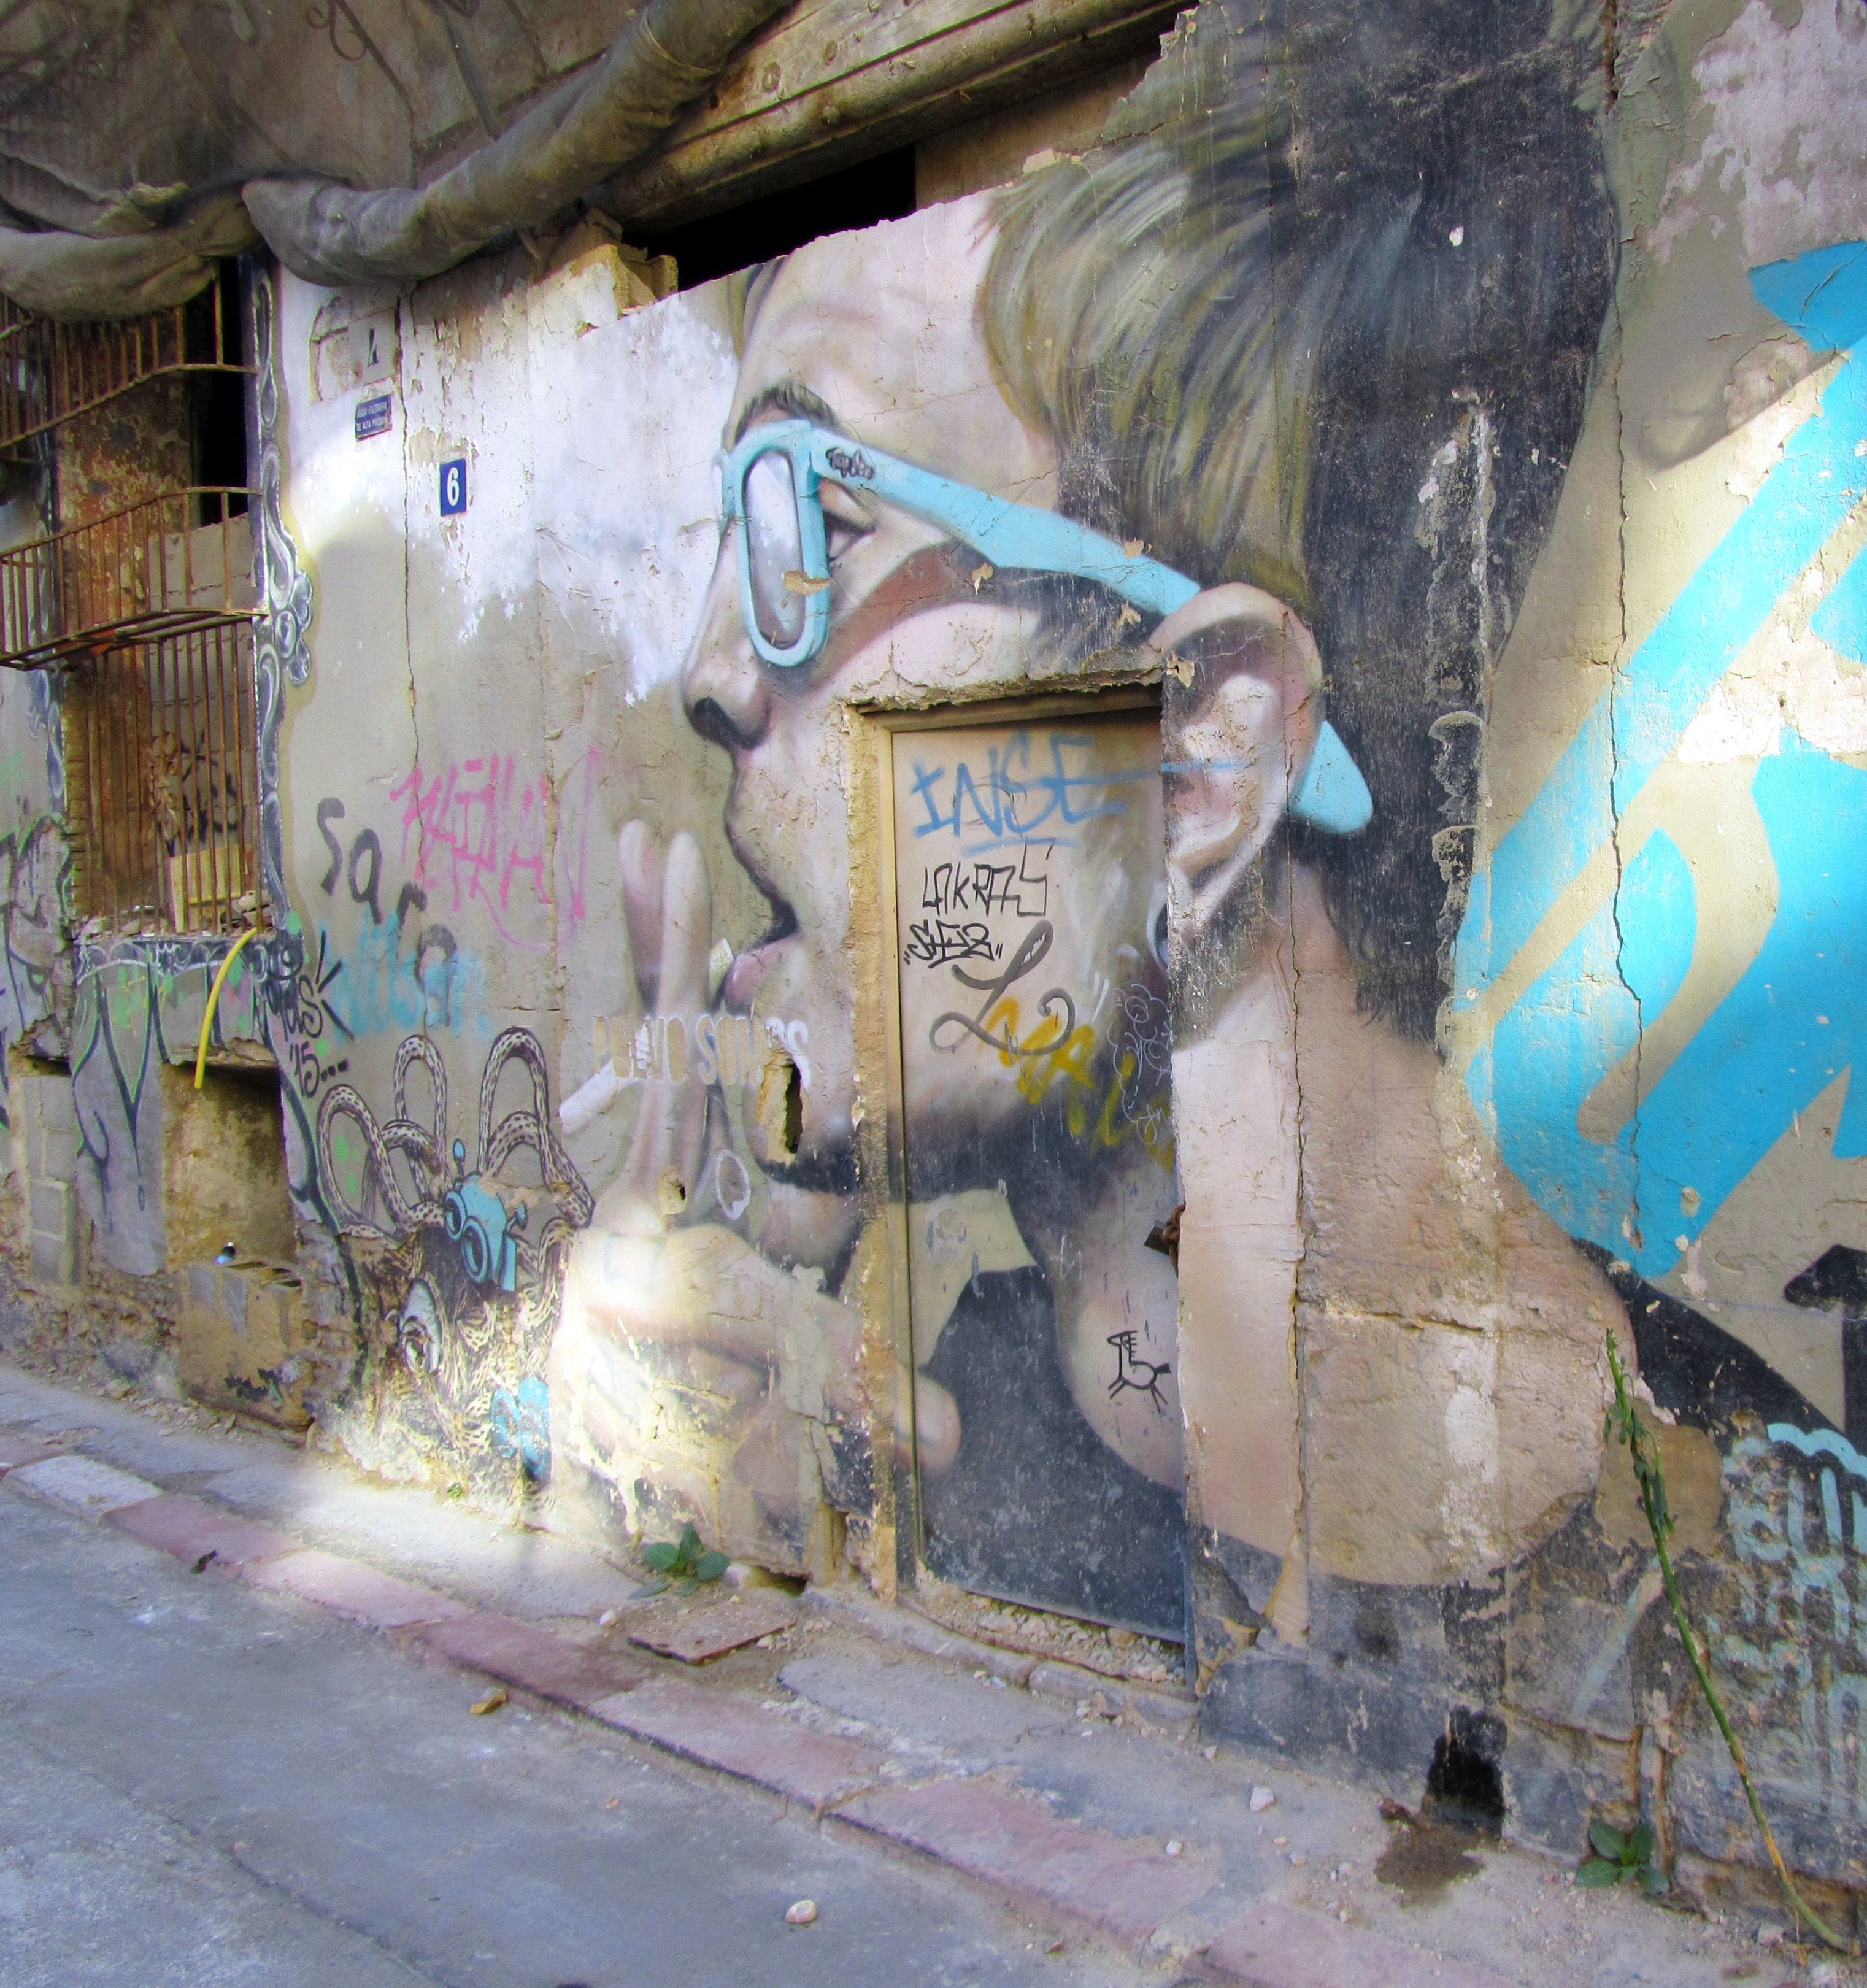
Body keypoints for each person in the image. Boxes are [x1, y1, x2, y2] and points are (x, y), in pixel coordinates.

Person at [542, 0, 1632, 1633]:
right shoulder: (946, 1389)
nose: (710, 676)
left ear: (1200, 759)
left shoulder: (1759, 1554)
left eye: (810, 519)